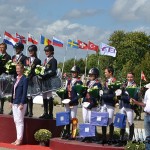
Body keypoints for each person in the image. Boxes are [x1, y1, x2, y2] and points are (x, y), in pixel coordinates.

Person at [115, 72, 136, 147]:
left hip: (129, 107)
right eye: (128, 77)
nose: (129, 78)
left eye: (131, 77)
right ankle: (121, 140)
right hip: (122, 106)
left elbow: (134, 97)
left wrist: (124, 97)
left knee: (130, 122)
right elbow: (120, 94)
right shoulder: (124, 85)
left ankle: (130, 141)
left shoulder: (135, 86)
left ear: (133, 77)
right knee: (122, 122)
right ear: (126, 77)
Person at [61, 66, 83, 139]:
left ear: (77, 73)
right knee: (67, 117)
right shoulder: (69, 81)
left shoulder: (79, 82)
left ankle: (73, 134)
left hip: (74, 102)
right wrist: (63, 98)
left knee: (73, 118)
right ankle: (67, 132)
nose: (73, 74)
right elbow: (66, 91)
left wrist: (73, 100)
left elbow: (79, 94)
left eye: (75, 72)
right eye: (72, 72)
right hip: (67, 102)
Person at [10, 63, 28, 146]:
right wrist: (11, 101)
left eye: (19, 69)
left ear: (22, 69)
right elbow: (12, 90)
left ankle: (19, 139)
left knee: (20, 121)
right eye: (16, 69)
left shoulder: (25, 79)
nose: (17, 70)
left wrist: (22, 103)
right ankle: (17, 138)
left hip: (21, 102)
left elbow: (24, 92)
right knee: (16, 120)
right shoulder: (15, 78)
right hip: (14, 101)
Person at [82, 67, 102, 142]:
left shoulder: (98, 84)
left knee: (91, 120)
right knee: (85, 119)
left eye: (92, 75)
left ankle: (93, 136)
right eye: (90, 75)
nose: (90, 76)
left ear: (96, 75)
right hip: (85, 102)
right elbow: (85, 92)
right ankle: (86, 135)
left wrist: (92, 103)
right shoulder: (87, 83)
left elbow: (97, 95)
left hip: (92, 104)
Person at [98, 66, 116, 145]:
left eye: (106, 72)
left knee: (110, 121)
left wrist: (104, 96)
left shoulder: (114, 81)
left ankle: (111, 138)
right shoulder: (106, 81)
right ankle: (104, 137)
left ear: (110, 73)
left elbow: (114, 94)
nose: (105, 73)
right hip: (103, 104)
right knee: (103, 121)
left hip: (110, 104)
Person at [39, 45, 57, 119]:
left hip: (49, 80)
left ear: (51, 52)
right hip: (44, 81)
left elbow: (53, 71)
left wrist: (45, 75)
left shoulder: (53, 60)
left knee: (49, 96)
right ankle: (45, 112)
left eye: (48, 51)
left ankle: (50, 113)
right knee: (44, 96)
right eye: (46, 51)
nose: (46, 52)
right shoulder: (45, 60)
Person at [8, 42, 27, 115]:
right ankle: (13, 108)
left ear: (21, 49)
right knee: (13, 92)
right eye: (15, 48)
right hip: (14, 76)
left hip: (21, 77)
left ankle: (26, 110)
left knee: (21, 92)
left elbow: (25, 67)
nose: (16, 50)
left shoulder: (24, 57)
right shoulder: (13, 57)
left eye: (18, 48)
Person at [131, 83, 150, 149]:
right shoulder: (148, 91)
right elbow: (144, 104)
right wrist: (136, 102)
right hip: (147, 115)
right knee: (148, 137)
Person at [25, 45, 41, 117]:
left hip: (32, 79)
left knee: (30, 96)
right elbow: (24, 67)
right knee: (25, 95)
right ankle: (26, 110)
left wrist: (32, 76)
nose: (30, 52)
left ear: (34, 51)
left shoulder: (38, 60)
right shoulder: (27, 59)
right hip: (26, 78)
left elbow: (38, 71)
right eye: (29, 51)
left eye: (31, 51)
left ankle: (31, 111)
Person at [0, 42, 11, 114]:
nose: (1, 49)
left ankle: (2, 108)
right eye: (0, 47)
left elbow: (8, 67)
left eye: (3, 47)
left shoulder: (8, 56)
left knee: (2, 93)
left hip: (3, 76)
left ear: (6, 48)